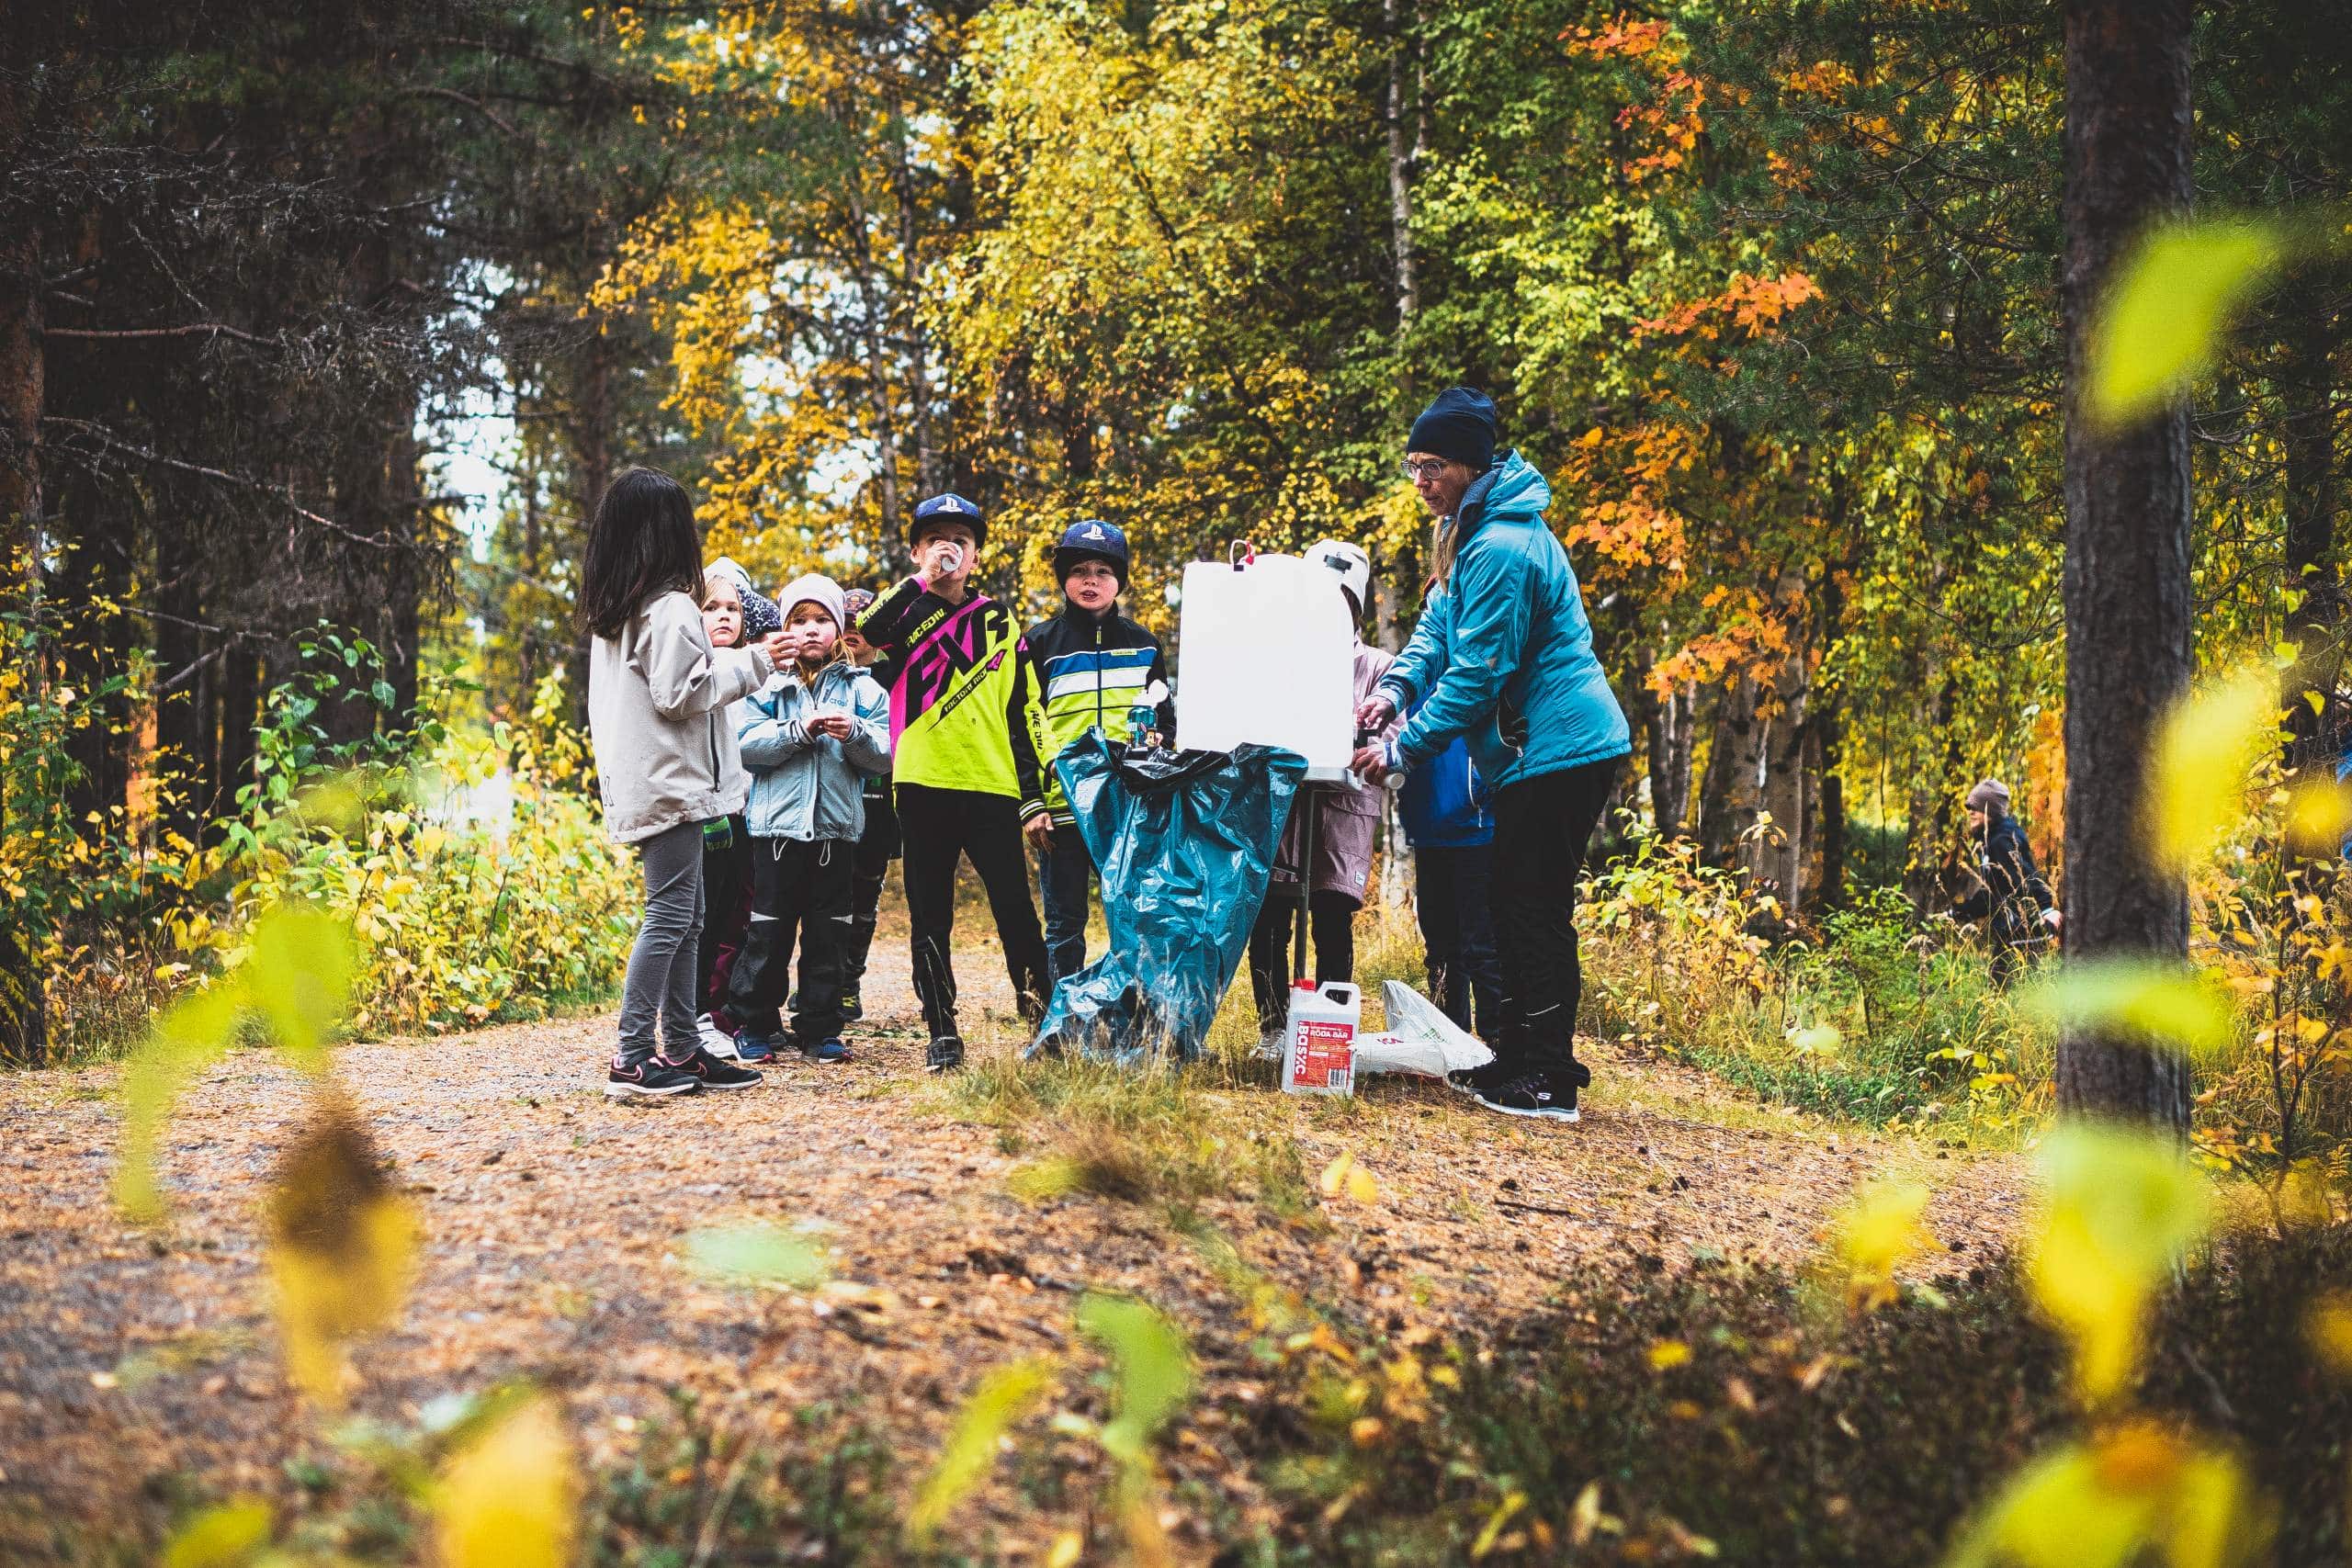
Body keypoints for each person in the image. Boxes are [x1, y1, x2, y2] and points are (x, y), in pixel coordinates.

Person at [1354, 388, 1632, 1123]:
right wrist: (1394, 688)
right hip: (1534, 753)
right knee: (1513, 905)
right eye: (1413, 464)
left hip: (1563, 747)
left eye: (1433, 464)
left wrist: (1403, 748)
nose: (1420, 479)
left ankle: (1548, 1079)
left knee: (1532, 907)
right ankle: (1520, 1058)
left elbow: (1478, 674)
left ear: (1472, 463)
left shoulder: (1504, 545)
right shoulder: (1469, 531)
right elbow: (1438, 625)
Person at [580, 467, 780, 1099]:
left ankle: (685, 1049)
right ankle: (635, 1055)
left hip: (653, 780)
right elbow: (681, 694)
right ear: (670, 535)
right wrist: (756, 662)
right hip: (669, 784)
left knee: (689, 916)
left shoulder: (618, 611)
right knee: (670, 916)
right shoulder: (667, 608)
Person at [855, 491, 1055, 1072]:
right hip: (921, 784)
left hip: (992, 785)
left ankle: (1040, 1016)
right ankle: (942, 1029)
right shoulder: (901, 614)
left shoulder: (998, 619)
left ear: (975, 557)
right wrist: (920, 580)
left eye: (961, 542)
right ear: (917, 549)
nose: (950, 549)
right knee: (929, 913)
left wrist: (1034, 795)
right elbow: (864, 628)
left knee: (1016, 909)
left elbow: (1026, 712)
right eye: (936, 539)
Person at [1248, 538, 1397, 1050]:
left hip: (1343, 807)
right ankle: (1272, 1027)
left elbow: (1392, 733)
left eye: (1343, 603)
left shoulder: (1378, 665)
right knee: (1270, 914)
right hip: (1284, 805)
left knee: (1332, 916)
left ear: (1357, 608)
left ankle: (1331, 1033)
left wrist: (1364, 742)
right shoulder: (1274, 660)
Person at [1023, 519, 1173, 983]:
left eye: (1103, 572)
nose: (1091, 581)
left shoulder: (1145, 644)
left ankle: (1128, 1014)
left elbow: (1166, 723)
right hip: (1062, 807)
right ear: (1064, 578)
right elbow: (1023, 727)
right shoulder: (1039, 643)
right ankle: (1060, 1022)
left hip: (1125, 809)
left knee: (1132, 916)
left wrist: (1154, 754)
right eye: (1080, 570)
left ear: (1119, 581)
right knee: (1065, 924)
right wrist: (1030, 803)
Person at [694, 558, 783, 1055]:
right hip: (707, 813)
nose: (724, 616)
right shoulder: (694, 669)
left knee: (742, 915)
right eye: (711, 608)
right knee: (702, 917)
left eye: (732, 608)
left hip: (752, 810)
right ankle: (696, 1010)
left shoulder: (757, 672)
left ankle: (733, 1011)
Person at [1398, 721, 1502, 1042]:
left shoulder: (1473, 671)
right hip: (1428, 831)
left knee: (1481, 946)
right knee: (1440, 948)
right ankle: (1449, 1038)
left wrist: (1482, 793)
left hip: (1477, 831)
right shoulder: (1412, 679)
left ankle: (1497, 1043)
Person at [836, 585, 898, 1021]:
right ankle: (820, 982)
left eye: (862, 623)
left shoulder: (897, 674)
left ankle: (848, 985)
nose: (853, 632)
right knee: (824, 900)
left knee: (863, 900)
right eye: (846, 623)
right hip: (832, 803)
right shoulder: (820, 676)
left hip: (881, 807)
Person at [1951, 778, 2058, 985]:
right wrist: (1961, 911)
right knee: (2001, 988)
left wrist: (2046, 909)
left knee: (2008, 990)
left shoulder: (2001, 841)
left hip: (2023, 930)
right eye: (1969, 807)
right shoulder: (1990, 841)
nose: (1970, 811)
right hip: (2010, 930)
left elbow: (2026, 877)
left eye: (1976, 806)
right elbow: (1995, 893)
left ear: (1991, 811)